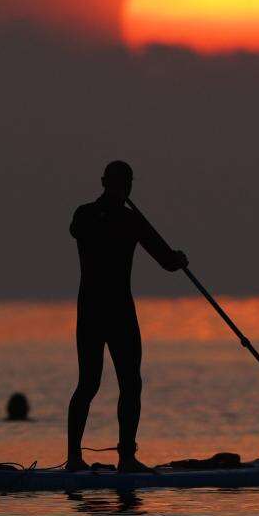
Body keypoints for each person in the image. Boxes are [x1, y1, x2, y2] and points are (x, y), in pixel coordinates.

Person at [67, 160, 187, 473]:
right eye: (122, 182)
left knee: (129, 384)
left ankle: (126, 457)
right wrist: (113, 212)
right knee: (90, 383)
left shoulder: (130, 220)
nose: (125, 187)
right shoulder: (89, 215)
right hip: (100, 311)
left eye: (127, 182)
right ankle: (75, 459)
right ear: (106, 181)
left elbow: (166, 262)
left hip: (110, 311)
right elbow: (77, 230)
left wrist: (178, 258)